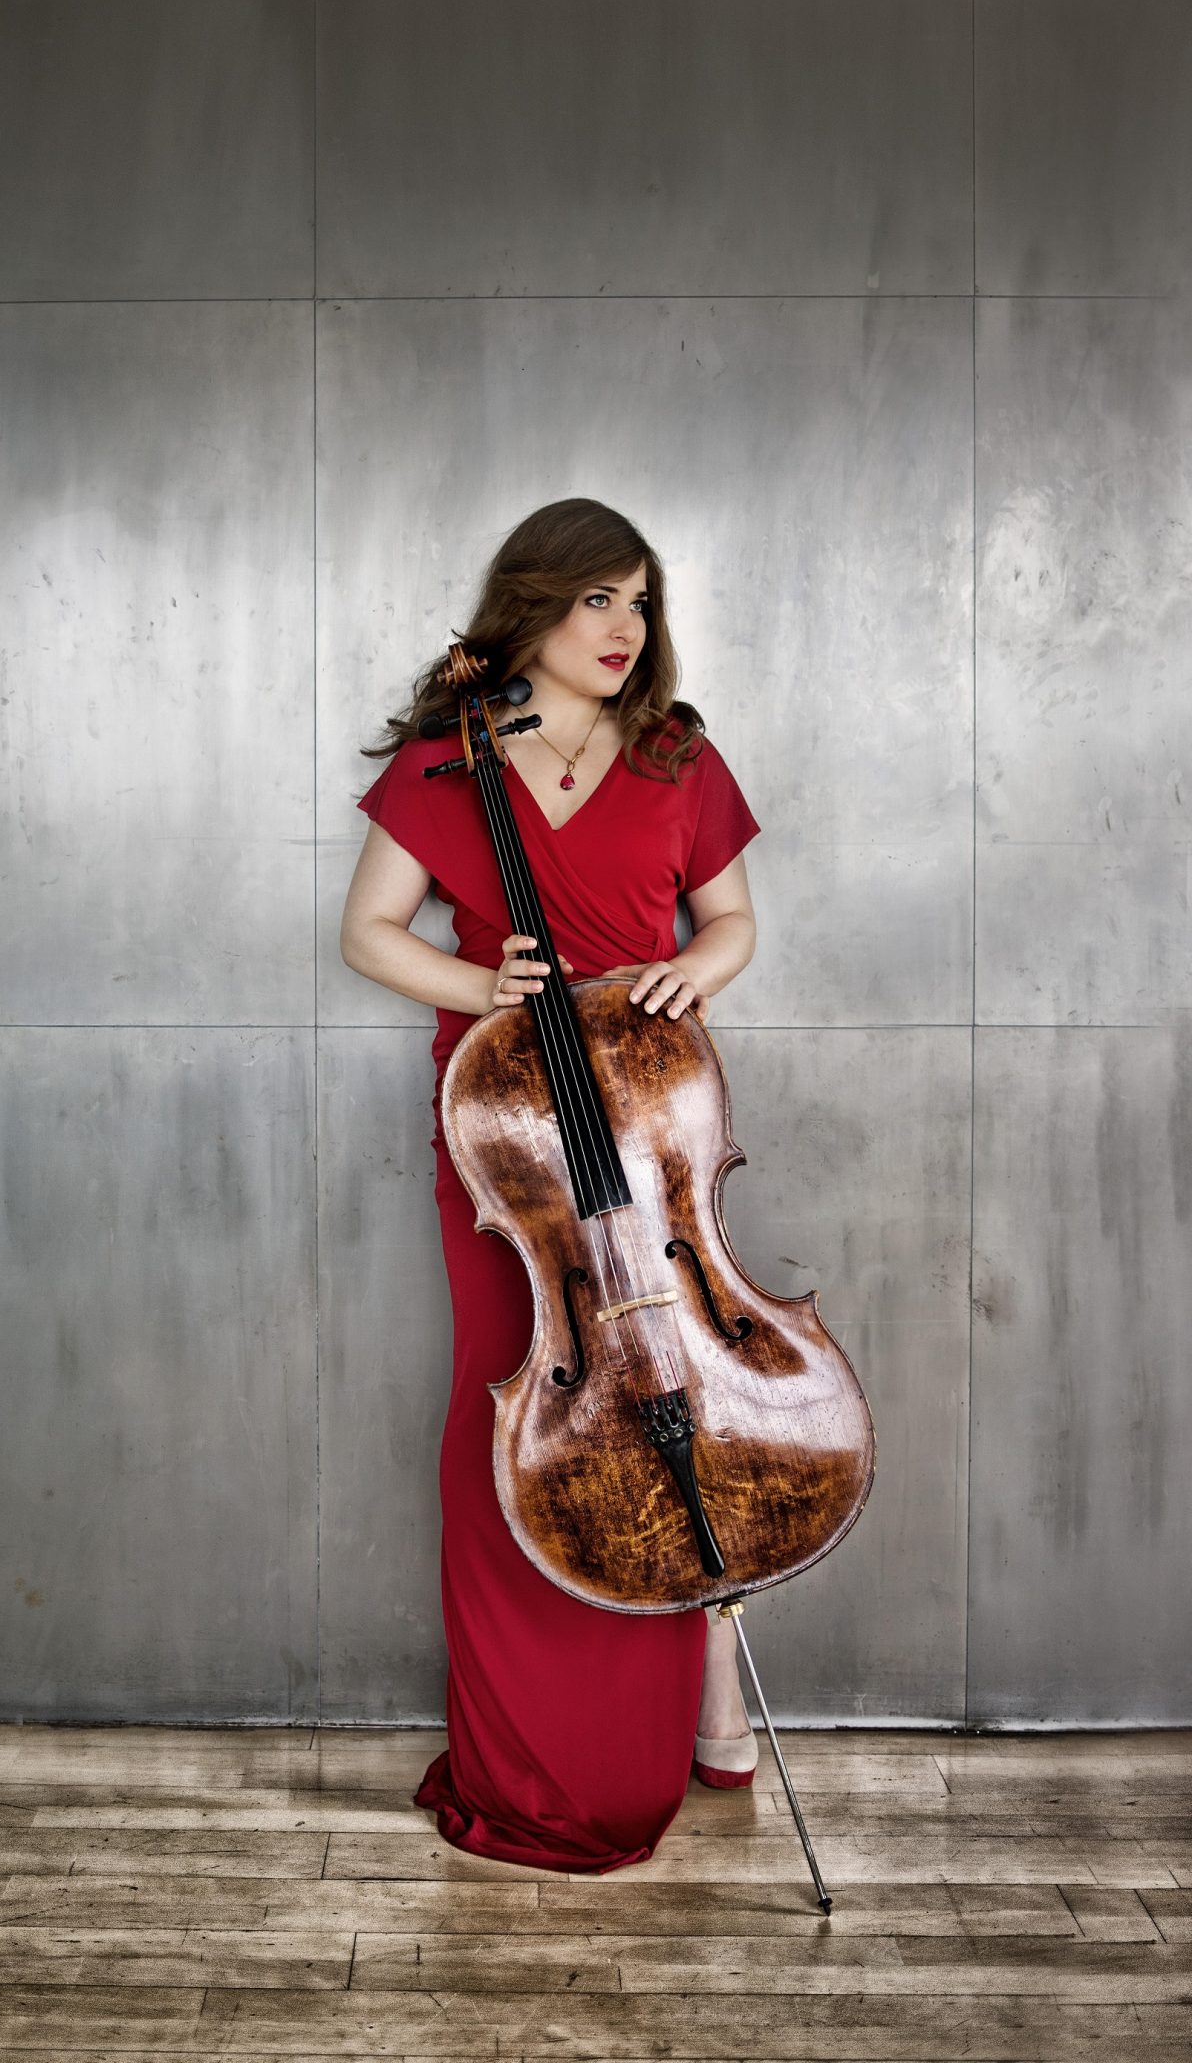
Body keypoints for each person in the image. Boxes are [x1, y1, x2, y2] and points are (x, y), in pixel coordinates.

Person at [338, 497, 764, 1875]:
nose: (625, 627)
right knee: (515, 1411)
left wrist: (694, 969)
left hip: (647, 1125)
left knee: (669, 1401)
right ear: (533, 602)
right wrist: (482, 985)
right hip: (507, 1137)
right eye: (597, 599)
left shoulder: (674, 751)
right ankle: (526, 1750)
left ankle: (683, 1712)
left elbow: (733, 920)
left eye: (639, 601)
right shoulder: (447, 758)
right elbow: (368, 933)